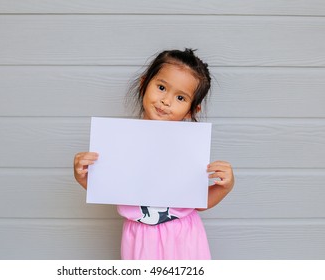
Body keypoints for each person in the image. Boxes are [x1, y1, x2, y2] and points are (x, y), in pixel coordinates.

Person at [73, 49, 234, 259]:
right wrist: (83, 177)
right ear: (143, 84)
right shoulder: (121, 142)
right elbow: (112, 187)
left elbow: (198, 202)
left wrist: (226, 186)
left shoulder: (189, 148)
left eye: (180, 97)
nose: (166, 101)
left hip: (184, 235)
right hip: (138, 236)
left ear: (192, 110)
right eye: (161, 87)